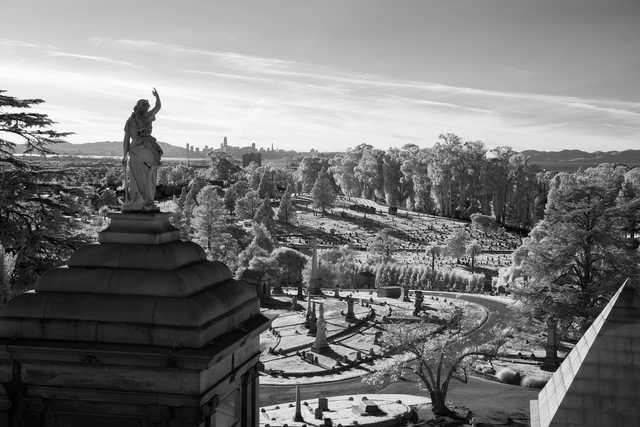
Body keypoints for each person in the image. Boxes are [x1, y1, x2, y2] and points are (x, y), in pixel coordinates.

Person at [122, 88, 163, 211]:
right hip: (135, 150)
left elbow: (158, 107)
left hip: (147, 146)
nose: (144, 109)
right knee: (136, 176)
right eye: (142, 106)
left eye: (146, 107)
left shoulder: (148, 116)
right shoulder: (130, 122)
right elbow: (126, 139)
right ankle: (137, 201)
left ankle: (147, 200)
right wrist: (124, 155)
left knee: (149, 174)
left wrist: (157, 97)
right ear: (137, 107)